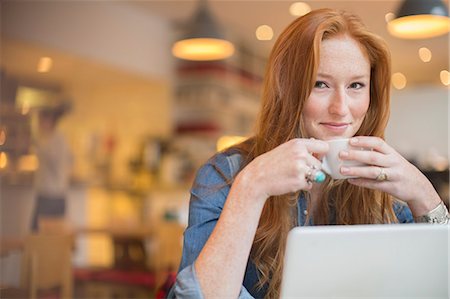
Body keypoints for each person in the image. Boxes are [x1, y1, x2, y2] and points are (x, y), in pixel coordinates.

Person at [169, 8, 450, 299]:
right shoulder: (224, 175)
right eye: (320, 84)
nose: (341, 108)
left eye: (356, 85)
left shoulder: (387, 184)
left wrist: (424, 194)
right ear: (286, 89)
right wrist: (251, 187)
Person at [31, 102, 73, 232]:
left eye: (40, 120)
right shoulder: (55, 139)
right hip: (55, 196)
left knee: (40, 238)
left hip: (50, 196)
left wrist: (38, 145)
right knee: (51, 238)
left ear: (49, 121)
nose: (39, 124)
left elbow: (54, 161)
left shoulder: (54, 140)